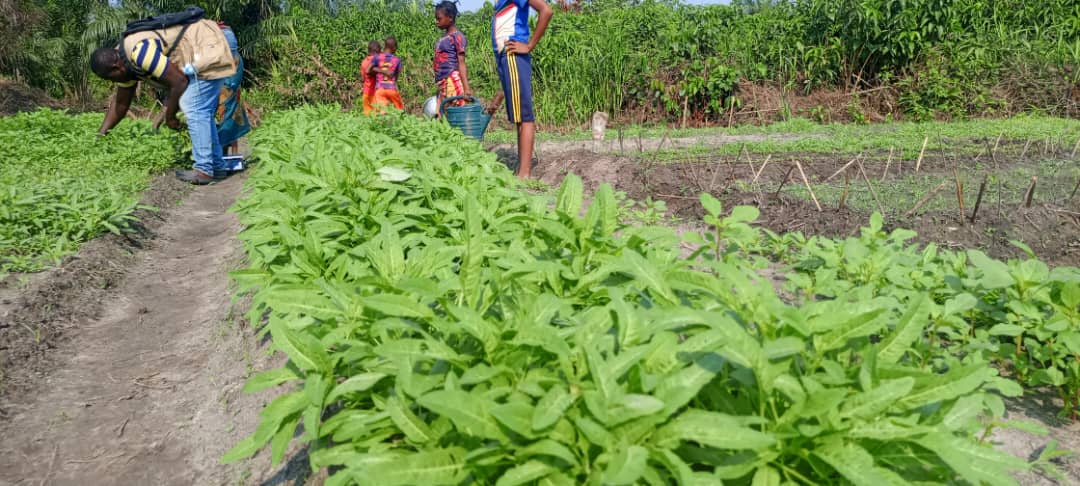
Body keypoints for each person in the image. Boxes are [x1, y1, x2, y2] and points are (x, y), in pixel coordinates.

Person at [91, 18, 236, 185]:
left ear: (117, 67)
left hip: (211, 42)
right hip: (204, 45)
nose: (111, 82)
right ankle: (215, 167)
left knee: (195, 107)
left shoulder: (139, 52)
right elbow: (120, 104)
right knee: (200, 109)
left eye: (109, 78)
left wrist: (169, 117)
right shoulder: (123, 62)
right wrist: (99, 137)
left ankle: (204, 170)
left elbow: (179, 81)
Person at [485, 0, 553, 179]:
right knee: (518, 117)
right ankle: (521, 169)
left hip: (514, 54)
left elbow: (546, 11)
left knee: (525, 116)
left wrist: (529, 45)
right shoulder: (500, 3)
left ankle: (524, 173)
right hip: (504, 57)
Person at [216, 20, 250, 156]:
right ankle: (227, 155)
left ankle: (230, 156)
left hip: (227, 96)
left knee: (229, 124)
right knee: (229, 124)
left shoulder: (232, 59)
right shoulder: (234, 58)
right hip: (229, 97)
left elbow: (232, 81)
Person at [433, 1, 470, 111]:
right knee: (442, 115)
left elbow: (461, 63)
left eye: (439, 19)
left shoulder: (457, 37)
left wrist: (466, 88)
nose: (436, 22)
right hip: (443, 81)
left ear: (450, 18)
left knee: (456, 112)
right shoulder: (443, 38)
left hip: (452, 79)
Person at [372, 37, 404, 111]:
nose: (397, 49)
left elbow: (370, 69)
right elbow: (396, 76)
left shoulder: (377, 57)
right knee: (400, 110)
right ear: (393, 47)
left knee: (382, 111)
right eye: (396, 46)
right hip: (391, 89)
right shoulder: (397, 60)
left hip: (379, 89)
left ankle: (383, 120)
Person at [361, 40, 381, 115]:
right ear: (377, 51)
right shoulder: (378, 62)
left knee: (367, 116)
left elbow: (363, 78)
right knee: (377, 117)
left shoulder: (364, 62)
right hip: (375, 94)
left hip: (366, 93)